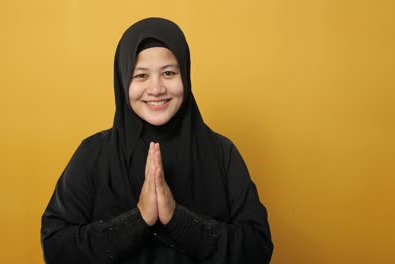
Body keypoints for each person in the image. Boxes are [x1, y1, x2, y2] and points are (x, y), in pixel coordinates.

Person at [41, 17, 273, 263]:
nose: (156, 88)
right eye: (141, 75)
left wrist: (177, 218)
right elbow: (56, 247)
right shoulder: (93, 153)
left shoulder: (221, 152)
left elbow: (257, 248)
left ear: (185, 74)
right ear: (122, 81)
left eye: (169, 73)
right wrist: (138, 219)